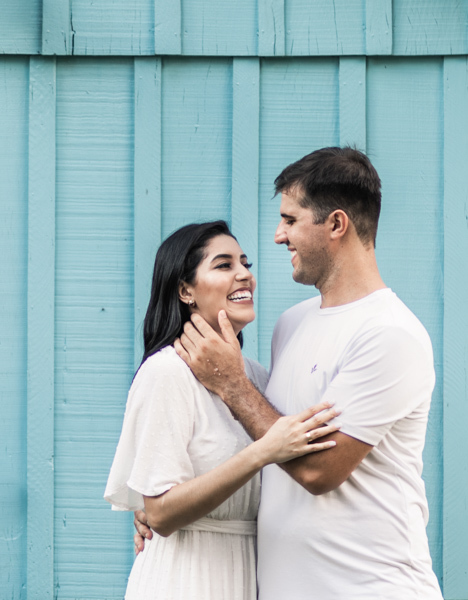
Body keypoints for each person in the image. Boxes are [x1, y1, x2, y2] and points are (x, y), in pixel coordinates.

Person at [135, 147, 443, 599]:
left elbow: (317, 470)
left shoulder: (389, 333)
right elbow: (258, 452)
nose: (279, 236)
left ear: (336, 224)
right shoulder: (291, 325)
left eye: (290, 219)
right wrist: (164, 508)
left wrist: (233, 385)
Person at [104, 220, 338, 600]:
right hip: (184, 580)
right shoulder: (167, 373)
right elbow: (160, 513)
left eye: (245, 263)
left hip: (251, 574)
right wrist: (262, 451)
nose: (245, 274)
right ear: (185, 290)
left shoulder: (258, 379)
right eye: (224, 265)